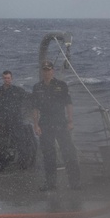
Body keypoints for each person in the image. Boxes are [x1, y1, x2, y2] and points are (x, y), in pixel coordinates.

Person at [31, 60, 81, 191]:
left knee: (68, 152)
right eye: (45, 70)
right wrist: (36, 125)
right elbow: (35, 108)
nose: (47, 72)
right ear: (42, 71)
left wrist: (70, 121)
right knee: (48, 155)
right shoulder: (37, 88)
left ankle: (75, 183)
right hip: (45, 124)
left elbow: (68, 104)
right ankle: (51, 183)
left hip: (60, 123)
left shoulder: (61, 85)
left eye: (49, 69)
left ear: (53, 71)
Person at [0, 70, 32, 171]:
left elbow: (29, 98)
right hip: (3, 121)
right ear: (2, 79)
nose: (7, 80)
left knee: (20, 142)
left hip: (15, 120)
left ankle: (23, 164)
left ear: (11, 79)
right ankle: (2, 165)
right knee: (2, 144)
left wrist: (30, 113)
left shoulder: (17, 90)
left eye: (8, 78)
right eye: (5, 78)